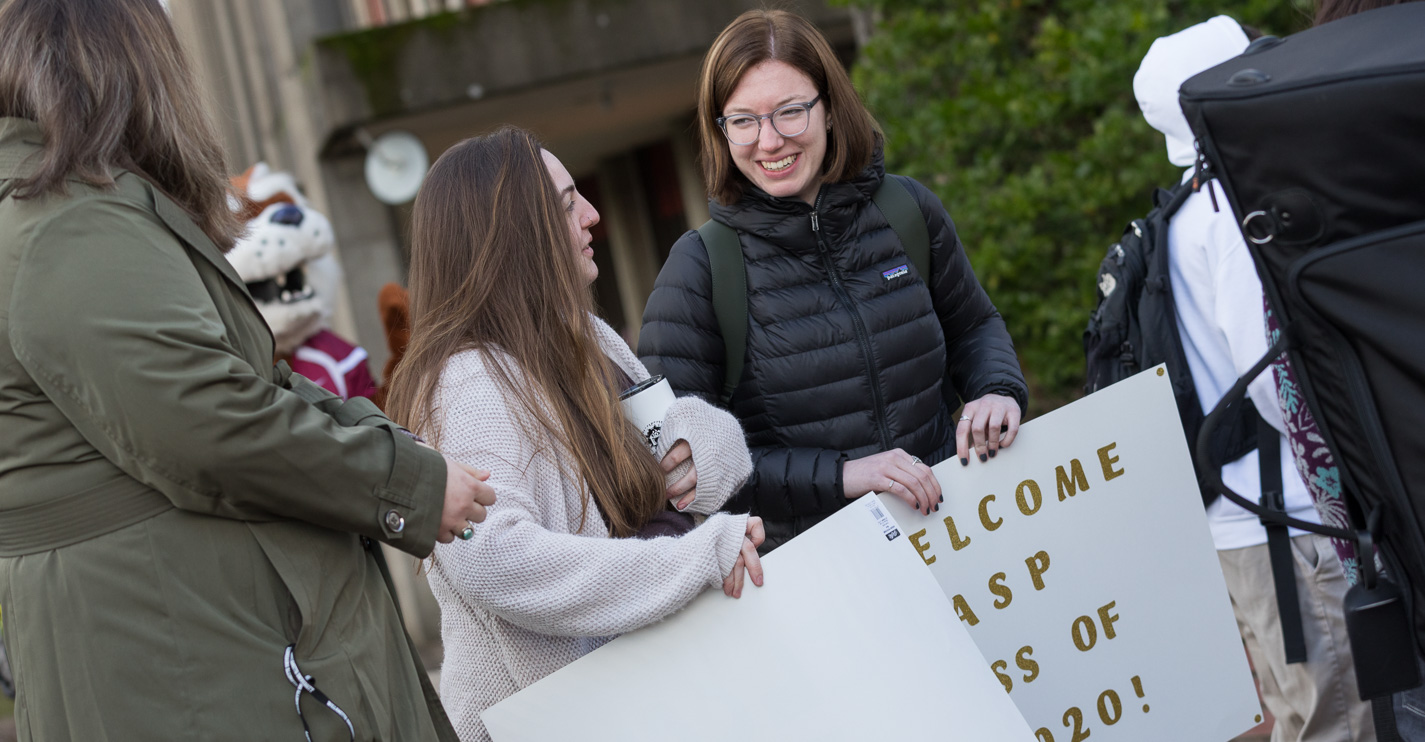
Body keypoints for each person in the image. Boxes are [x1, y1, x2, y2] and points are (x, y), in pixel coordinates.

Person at [0, 1, 494, 739]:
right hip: (194, 661)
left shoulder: (50, 214)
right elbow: (207, 421)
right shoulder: (69, 220)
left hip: (175, 650)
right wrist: (409, 487)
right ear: (136, 71)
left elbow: (234, 387)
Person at [383, 126, 763, 742]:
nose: (591, 216)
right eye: (564, 205)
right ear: (512, 235)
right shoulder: (467, 381)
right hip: (572, 714)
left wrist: (697, 446)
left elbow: (694, 447)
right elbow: (496, 561)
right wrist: (692, 560)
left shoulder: (585, 335)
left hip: (651, 692)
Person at [638, 9, 1029, 552]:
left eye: (790, 112)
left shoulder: (906, 210)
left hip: (960, 534)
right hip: (824, 578)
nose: (769, 141)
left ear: (829, 108)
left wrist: (997, 390)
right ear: (720, 131)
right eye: (743, 121)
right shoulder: (701, 269)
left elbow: (973, 326)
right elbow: (685, 471)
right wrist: (846, 475)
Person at [1133, 16, 1375, 741]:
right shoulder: (1227, 210)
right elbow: (1271, 383)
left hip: (1244, 522)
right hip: (1292, 521)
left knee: (1304, 717)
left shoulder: (1179, 211)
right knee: (1344, 725)